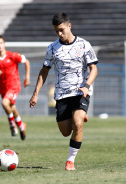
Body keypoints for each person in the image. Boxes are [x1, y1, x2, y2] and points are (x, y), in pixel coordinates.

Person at [29, 12, 98, 170]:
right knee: (66, 132)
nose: (59, 34)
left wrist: (86, 86)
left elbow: (93, 69)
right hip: (61, 94)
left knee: (77, 124)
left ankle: (70, 160)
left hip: (81, 91)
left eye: (61, 30)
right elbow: (44, 71)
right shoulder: (52, 48)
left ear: (69, 26)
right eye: (56, 31)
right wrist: (35, 94)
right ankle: (78, 115)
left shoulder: (83, 45)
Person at [0, 35, 30, 140]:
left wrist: (27, 77)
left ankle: (12, 125)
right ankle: (21, 125)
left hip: (14, 85)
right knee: (11, 108)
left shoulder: (12, 55)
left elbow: (26, 61)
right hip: (3, 88)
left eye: (1, 43)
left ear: (4, 44)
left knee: (4, 103)